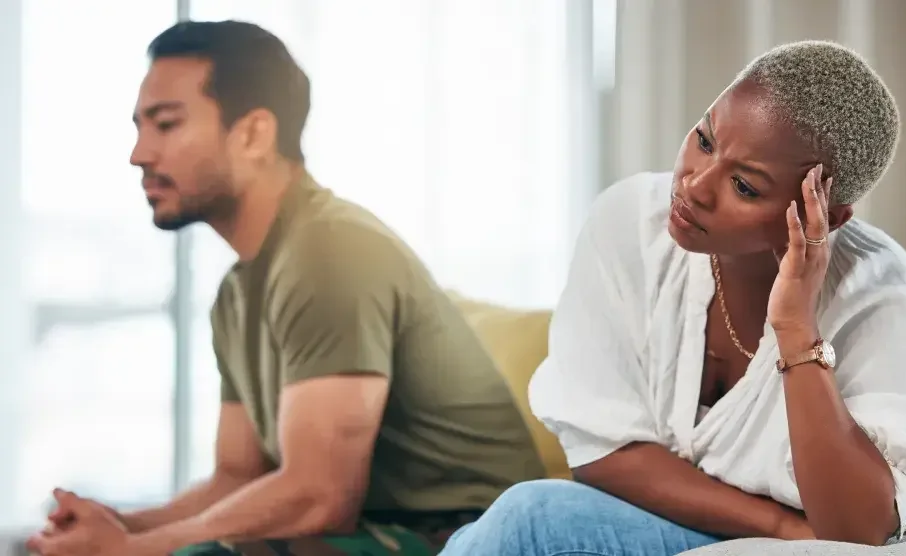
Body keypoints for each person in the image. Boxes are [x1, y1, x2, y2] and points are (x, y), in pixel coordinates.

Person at [27, 20, 547, 556]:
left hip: (466, 537)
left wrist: (134, 551)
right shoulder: (236, 294)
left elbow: (319, 497)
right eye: (140, 127)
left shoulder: (332, 249)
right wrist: (121, 527)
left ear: (253, 133)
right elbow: (236, 478)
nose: (139, 153)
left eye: (166, 124)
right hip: (370, 532)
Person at [439, 40, 906, 556]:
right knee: (523, 520)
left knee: (530, 520)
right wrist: (782, 528)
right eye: (705, 139)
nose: (694, 185)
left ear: (826, 218)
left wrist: (795, 330)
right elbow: (600, 452)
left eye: (745, 187)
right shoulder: (628, 224)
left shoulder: (883, 297)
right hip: (725, 531)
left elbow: (855, 534)